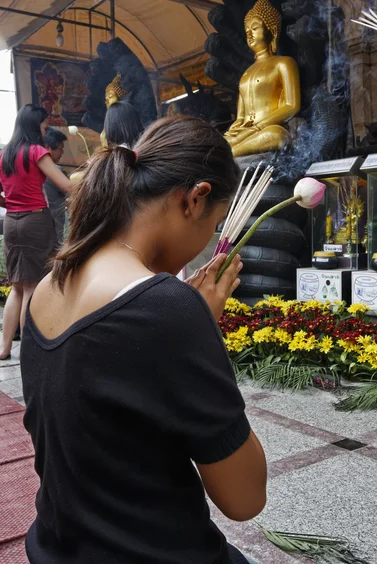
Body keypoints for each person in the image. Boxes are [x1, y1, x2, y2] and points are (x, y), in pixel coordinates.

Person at [21, 116, 267, 564]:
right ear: (195, 199)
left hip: (54, 550)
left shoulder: (46, 287)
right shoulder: (168, 308)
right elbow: (246, 498)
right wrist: (201, 329)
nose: (207, 243)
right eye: (213, 226)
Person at [0, 104, 73, 359]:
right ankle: (29, 351)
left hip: (11, 223)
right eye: (43, 126)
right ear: (34, 126)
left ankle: (4, 347)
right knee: (31, 287)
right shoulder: (36, 152)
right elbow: (65, 185)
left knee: (17, 286)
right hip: (34, 221)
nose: (45, 131)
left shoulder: (5, 154)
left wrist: (9, 202)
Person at [43, 127, 69, 246]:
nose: (62, 152)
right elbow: (71, 191)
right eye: (60, 148)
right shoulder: (56, 171)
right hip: (53, 229)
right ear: (48, 148)